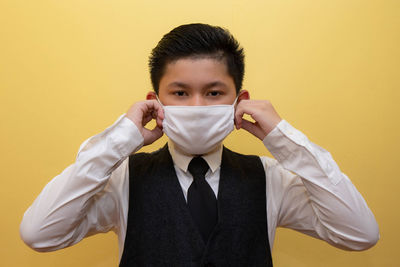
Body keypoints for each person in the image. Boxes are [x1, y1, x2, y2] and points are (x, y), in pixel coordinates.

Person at [20, 23, 379, 266]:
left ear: (239, 100)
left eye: (213, 93)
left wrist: (283, 138)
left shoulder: (271, 178)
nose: (196, 107)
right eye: (179, 93)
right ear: (154, 101)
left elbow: (359, 234)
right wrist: (119, 141)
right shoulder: (121, 179)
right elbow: (40, 233)